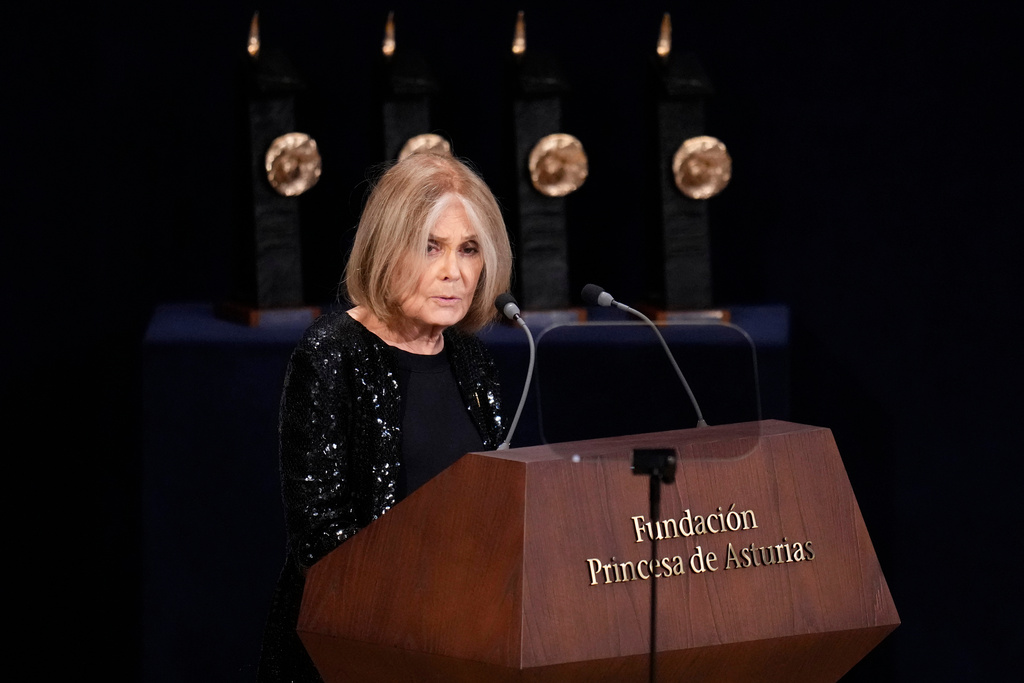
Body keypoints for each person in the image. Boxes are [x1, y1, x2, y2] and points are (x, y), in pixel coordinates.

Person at [257, 152, 513, 682]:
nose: (453, 272)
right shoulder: (331, 354)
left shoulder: (471, 359)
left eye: (468, 250)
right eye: (430, 247)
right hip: (355, 647)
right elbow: (320, 534)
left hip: (461, 640)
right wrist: (421, 608)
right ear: (385, 248)